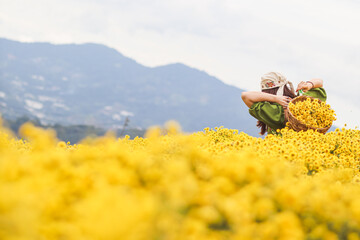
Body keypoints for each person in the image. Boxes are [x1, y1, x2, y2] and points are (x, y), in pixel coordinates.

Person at [241, 72, 327, 135]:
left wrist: (275, 98)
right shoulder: (303, 101)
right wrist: (309, 85)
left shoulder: (274, 112)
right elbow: (319, 81)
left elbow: (245, 96)